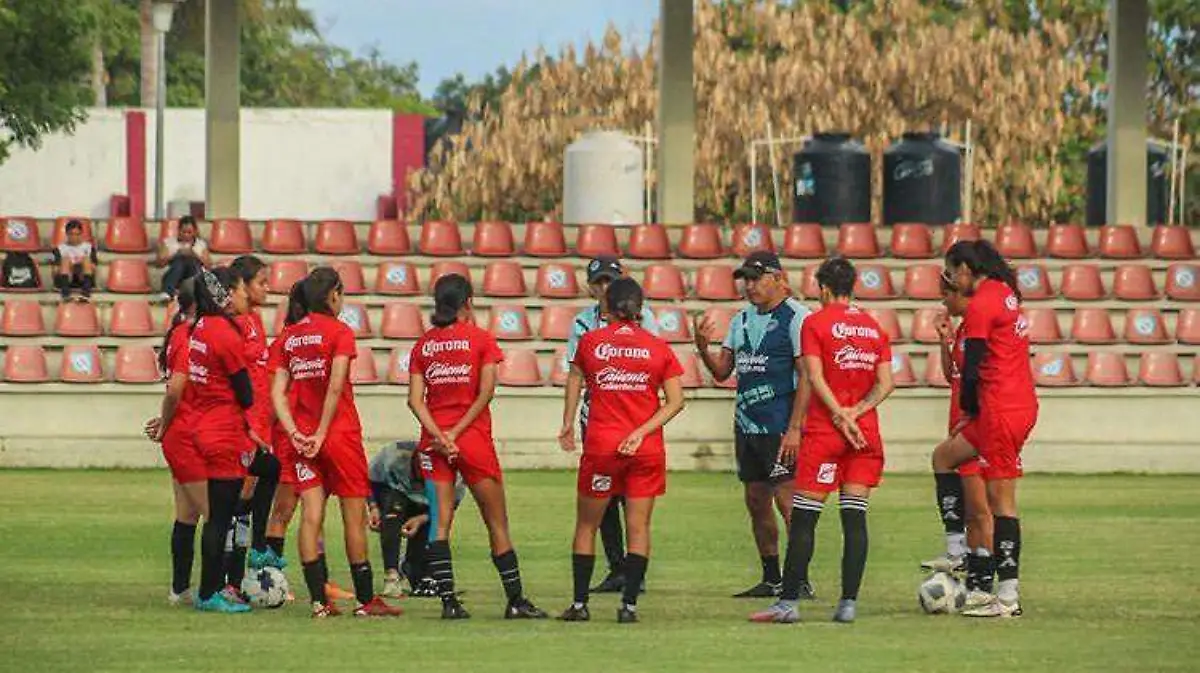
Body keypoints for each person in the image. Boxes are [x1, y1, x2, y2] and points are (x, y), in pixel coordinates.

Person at [750, 256, 894, 625]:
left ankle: (789, 604)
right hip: (865, 435)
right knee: (855, 518)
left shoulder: (815, 323)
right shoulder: (874, 328)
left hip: (827, 432)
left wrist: (840, 414)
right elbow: (886, 384)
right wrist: (857, 412)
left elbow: (813, 376)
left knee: (805, 520)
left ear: (824, 288)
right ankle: (847, 604)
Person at [407, 273, 547, 620]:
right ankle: (515, 601)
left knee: (440, 522)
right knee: (496, 523)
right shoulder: (481, 340)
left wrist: (440, 436)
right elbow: (486, 393)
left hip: (433, 440)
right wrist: (456, 434)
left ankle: (449, 603)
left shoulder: (423, 345)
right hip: (472, 440)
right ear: (468, 303)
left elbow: (414, 401)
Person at [270, 268, 402, 618]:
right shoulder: (340, 332)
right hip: (338, 436)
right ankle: (364, 600)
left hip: (301, 438)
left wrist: (296, 432)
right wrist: (323, 433)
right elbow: (335, 384)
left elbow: (277, 394)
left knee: (311, 516)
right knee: (353, 517)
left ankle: (318, 602)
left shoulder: (288, 337)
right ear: (333, 295)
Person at [558, 277, 685, 623]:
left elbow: (575, 379)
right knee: (639, 527)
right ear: (640, 309)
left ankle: (580, 605)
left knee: (587, 525)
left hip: (602, 446)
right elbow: (676, 402)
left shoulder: (591, 342)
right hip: (645, 450)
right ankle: (629, 607)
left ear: (606, 307)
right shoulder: (658, 347)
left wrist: (568, 422)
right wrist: (642, 431)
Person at [694, 250, 812, 598]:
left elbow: (806, 376)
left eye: (756, 278)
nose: (749, 286)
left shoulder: (797, 318)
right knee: (756, 501)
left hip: (779, 426)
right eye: (746, 279)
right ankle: (771, 577)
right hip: (747, 426)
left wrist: (795, 428)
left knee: (788, 504)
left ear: (778, 277)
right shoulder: (740, 320)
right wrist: (702, 348)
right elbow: (722, 372)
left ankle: (799, 579)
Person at [934, 240, 1038, 618]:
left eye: (951, 271)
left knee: (1000, 504)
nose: (950, 281)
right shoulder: (1004, 293)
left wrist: (969, 409)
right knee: (944, 457)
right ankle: (956, 550)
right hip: (1011, 404)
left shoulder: (981, 303)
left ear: (965, 270)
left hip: (1000, 410)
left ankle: (1007, 597)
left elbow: (975, 363)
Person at [564, 255, 660, 594]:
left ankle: (633, 572)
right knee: (601, 498)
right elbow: (575, 373)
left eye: (609, 281)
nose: (604, 288)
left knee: (630, 499)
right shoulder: (581, 323)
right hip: (597, 417)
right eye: (598, 282)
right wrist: (569, 421)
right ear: (590, 287)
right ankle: (617, 566)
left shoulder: (645, 320)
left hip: (634, 417)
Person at [260, 280, 357, 603]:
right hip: (294, 435)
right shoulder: (288, 341)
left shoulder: (300, 338)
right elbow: (275, 395)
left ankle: (321, 583)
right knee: (285, 510)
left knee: (314, 510)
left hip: (306, 433)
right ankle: (272, 581)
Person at [179, 267, 255, 614]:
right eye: (240, 290)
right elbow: (245, 391)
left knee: (217, 515)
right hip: (223, 431)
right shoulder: (225, 333)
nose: (244, 296)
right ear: (225, 293)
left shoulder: (200, 328)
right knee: (220, 518)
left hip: (202, 424)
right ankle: (210, 593)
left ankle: (211, 590)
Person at [921, 273, 992, 576]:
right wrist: (944, 339)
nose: (943, 301)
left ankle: (982, 574)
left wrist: (973, 415)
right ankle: (961, 556)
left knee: (979, 508)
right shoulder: (964, 331)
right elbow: (954, 376)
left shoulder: (982, 330)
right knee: (967, 499)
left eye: (945, 294)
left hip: (975, 426)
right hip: (959, 422)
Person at [222, 255, 282, 591]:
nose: (267, 287)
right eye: (261, 281)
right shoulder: (232, 326)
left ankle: (242, 573)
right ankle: (229, 578)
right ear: (241, 286)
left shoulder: (256, 321)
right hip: (243, 428)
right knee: (236, 503)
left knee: (258, 485)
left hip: (261, 425)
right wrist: (248, 425)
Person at [144, 278, 205, 605]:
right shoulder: (187, 337)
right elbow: (176, 389)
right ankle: (215, 590)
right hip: (186, 436)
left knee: (187, 515)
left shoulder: (182, 334)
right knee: (216, 514)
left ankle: (179, 589)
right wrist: (166, 422)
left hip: (183, 432)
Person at [367, 440, 465, 598]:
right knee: (393, 513)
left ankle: (414, 569)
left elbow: (450, 506)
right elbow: (369, 479)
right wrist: (373, 507)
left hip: (429, 505)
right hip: (395, 493)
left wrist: (421, 519)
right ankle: (391, 576)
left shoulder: (455, 474)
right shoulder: (394, 455)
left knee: (432, 529)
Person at [157, 215, 210, 302]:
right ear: (178, 231)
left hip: (193, 275)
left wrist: (194, 255)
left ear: (195, 232)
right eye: (183, 232)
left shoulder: (201, 244)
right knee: (180, 261)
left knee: (191, 261)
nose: (186, 235)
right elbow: (159, 263)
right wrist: (175, 255)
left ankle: (193, 293)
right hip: (174, 275)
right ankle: (168, 292)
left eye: (189, 232)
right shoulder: (168, 242)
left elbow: (209, 266)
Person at [51, 219, 97, 302]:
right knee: (65, 259)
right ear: (67, 234)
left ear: (81, 234)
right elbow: (55, 270)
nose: (74, 237)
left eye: (77, 234)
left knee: (86, 259)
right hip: (67, 278)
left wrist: (79, 266)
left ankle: (85, 293)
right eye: (71, 234)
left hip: (82, 277)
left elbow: (93, 267)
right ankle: (65, 294)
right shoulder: (60, 248)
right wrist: (70, 267)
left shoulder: (89, 247)